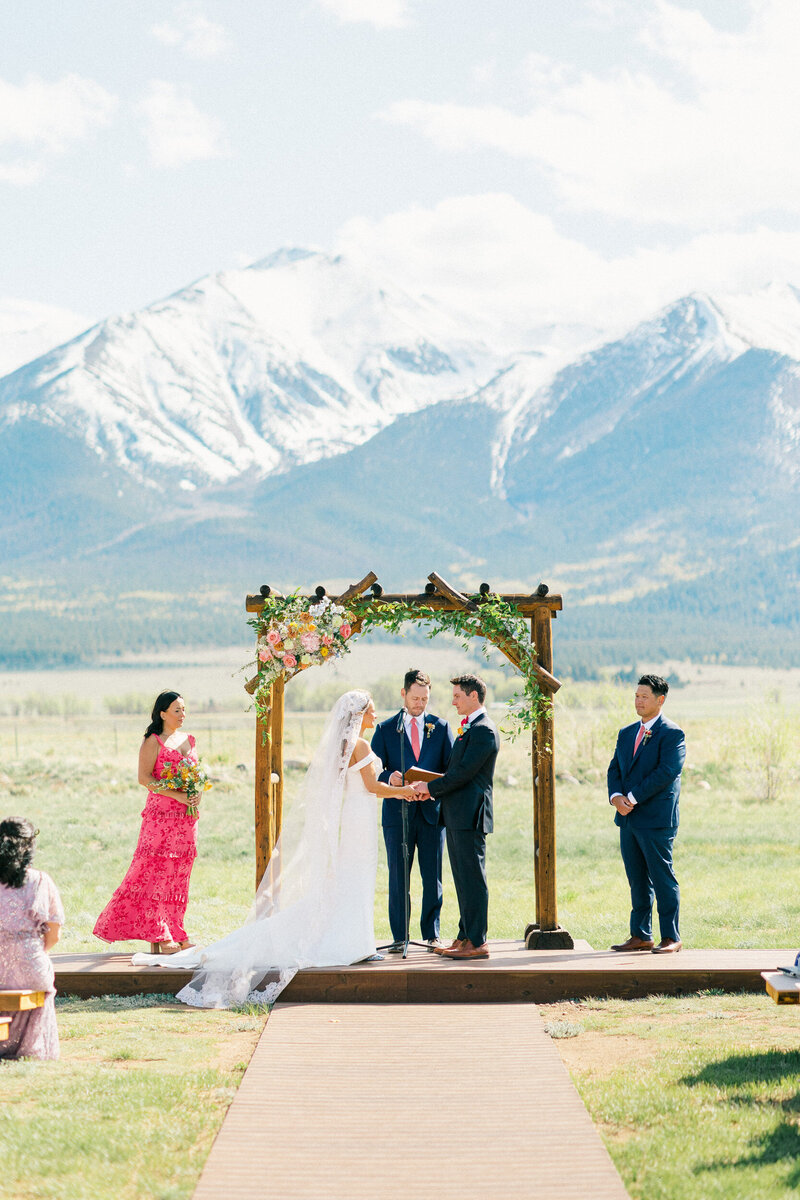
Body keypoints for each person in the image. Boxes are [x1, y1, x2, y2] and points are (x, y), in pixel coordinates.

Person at [132, 691, 417, 1007]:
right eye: (371, 711)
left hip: (353, 816)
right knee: (358, 876)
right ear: (358, 715)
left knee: (352, 877)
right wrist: (406, 791)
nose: (375, 716)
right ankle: (356, 942)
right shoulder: (360, 745)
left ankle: (357, 940)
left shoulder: (343, 745)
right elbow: (372, 787)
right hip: (359, 819)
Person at [93, 691, 201, 954]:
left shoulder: (190, 740)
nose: (182, 715)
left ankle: (176, 929)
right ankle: (159, 934)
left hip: (186, 819)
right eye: (177, 710)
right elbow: (144, 778)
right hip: (160, 816)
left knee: (178, 874)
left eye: (184, 709)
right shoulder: (153, 741)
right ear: (162, 713)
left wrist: (196, 793)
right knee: (154, 872)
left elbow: (195, 775)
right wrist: (176, 794)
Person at [412, 674, 499, 961]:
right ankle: (464, 937)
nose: (453, 701)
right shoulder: (470, 728)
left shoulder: (484, 731)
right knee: (462, 878)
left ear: (474, 696)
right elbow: (454, 773)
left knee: (473, 878)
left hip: (470, 815)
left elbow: (463, 774)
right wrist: (431, 790)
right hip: (456, 813)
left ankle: (478, 940)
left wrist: (430, 787)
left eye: (458, 696)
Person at [371, 668, 454, 951]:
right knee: (398, 876)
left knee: (433, 877)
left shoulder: (441, 728)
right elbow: (374, 771)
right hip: (397, 815)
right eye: (416, 698)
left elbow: (450, 771)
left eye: (425, 699)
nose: (420, 704)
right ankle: (399, 937)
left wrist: (431, 789)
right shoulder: (384, 729)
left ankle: (432, 934)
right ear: (404, 694)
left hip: (431, 814)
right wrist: (390, 778)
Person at [607, 674, 686, 954]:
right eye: (636, 695)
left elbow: (667, 772)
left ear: (660, 699)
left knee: (662, 877)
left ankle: (671, 937)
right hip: (627, 818)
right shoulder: (627, 732)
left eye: (644, 696)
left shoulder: (672, 733)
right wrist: (616, 796)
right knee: (637, 878)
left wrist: (631, 797)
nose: (638, 701)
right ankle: (640, 934)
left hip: (656, 819)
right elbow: (614, 767)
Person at [0, 818, 64, 1061]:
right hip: (31, 966)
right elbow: (54, 933)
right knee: (40, 973)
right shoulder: (40, 880)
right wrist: (33, 953)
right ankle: (31, 1049)